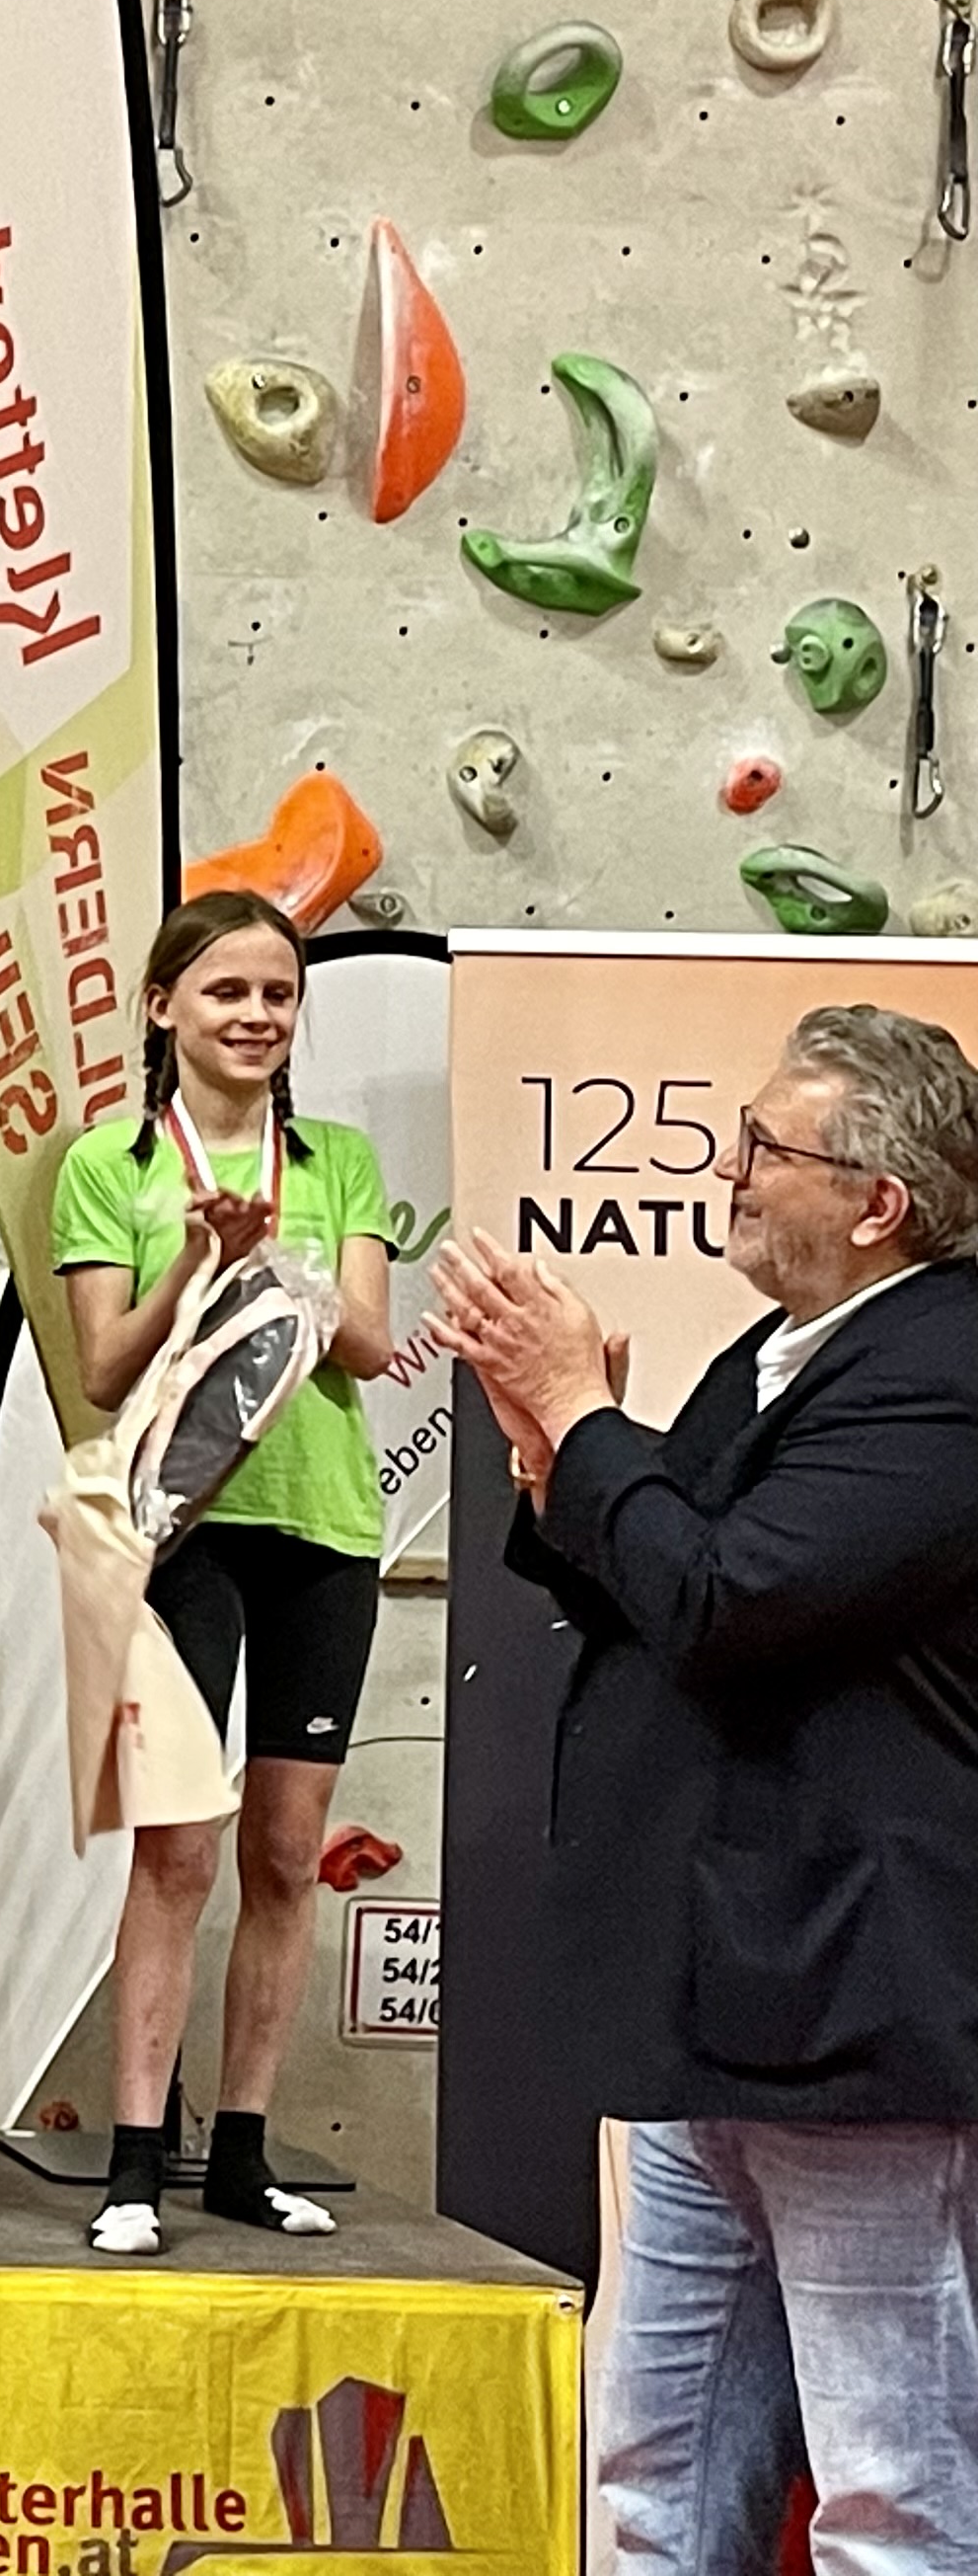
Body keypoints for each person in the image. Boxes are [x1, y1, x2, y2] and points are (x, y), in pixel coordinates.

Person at [435, 1005, 978, 2575]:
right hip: (711, 2003)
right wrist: (555, 1453)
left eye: (762, 1148)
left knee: (888, 2483)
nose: (724, 1172)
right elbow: (658, 1574)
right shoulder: (779, 1351)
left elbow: (736, 1600)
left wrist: (590, 1419)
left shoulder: (944, 1368)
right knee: (653, 2465)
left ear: (876, 1202)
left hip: (850, 2011)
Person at [50, 889, 398, 2256]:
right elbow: (102, 1367)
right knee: (179, 1850)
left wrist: (283, 1264)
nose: (256, 1017)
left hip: (324, 1529)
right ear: (163, 1008)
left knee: (288, 1855)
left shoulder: (340, 1160)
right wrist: (200, 1257)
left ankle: (245, 2150)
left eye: (278, 995)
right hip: (178, 1530)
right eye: (228, 992)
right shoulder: (108, 1162)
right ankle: (135, 2161)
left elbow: (368, 1345)